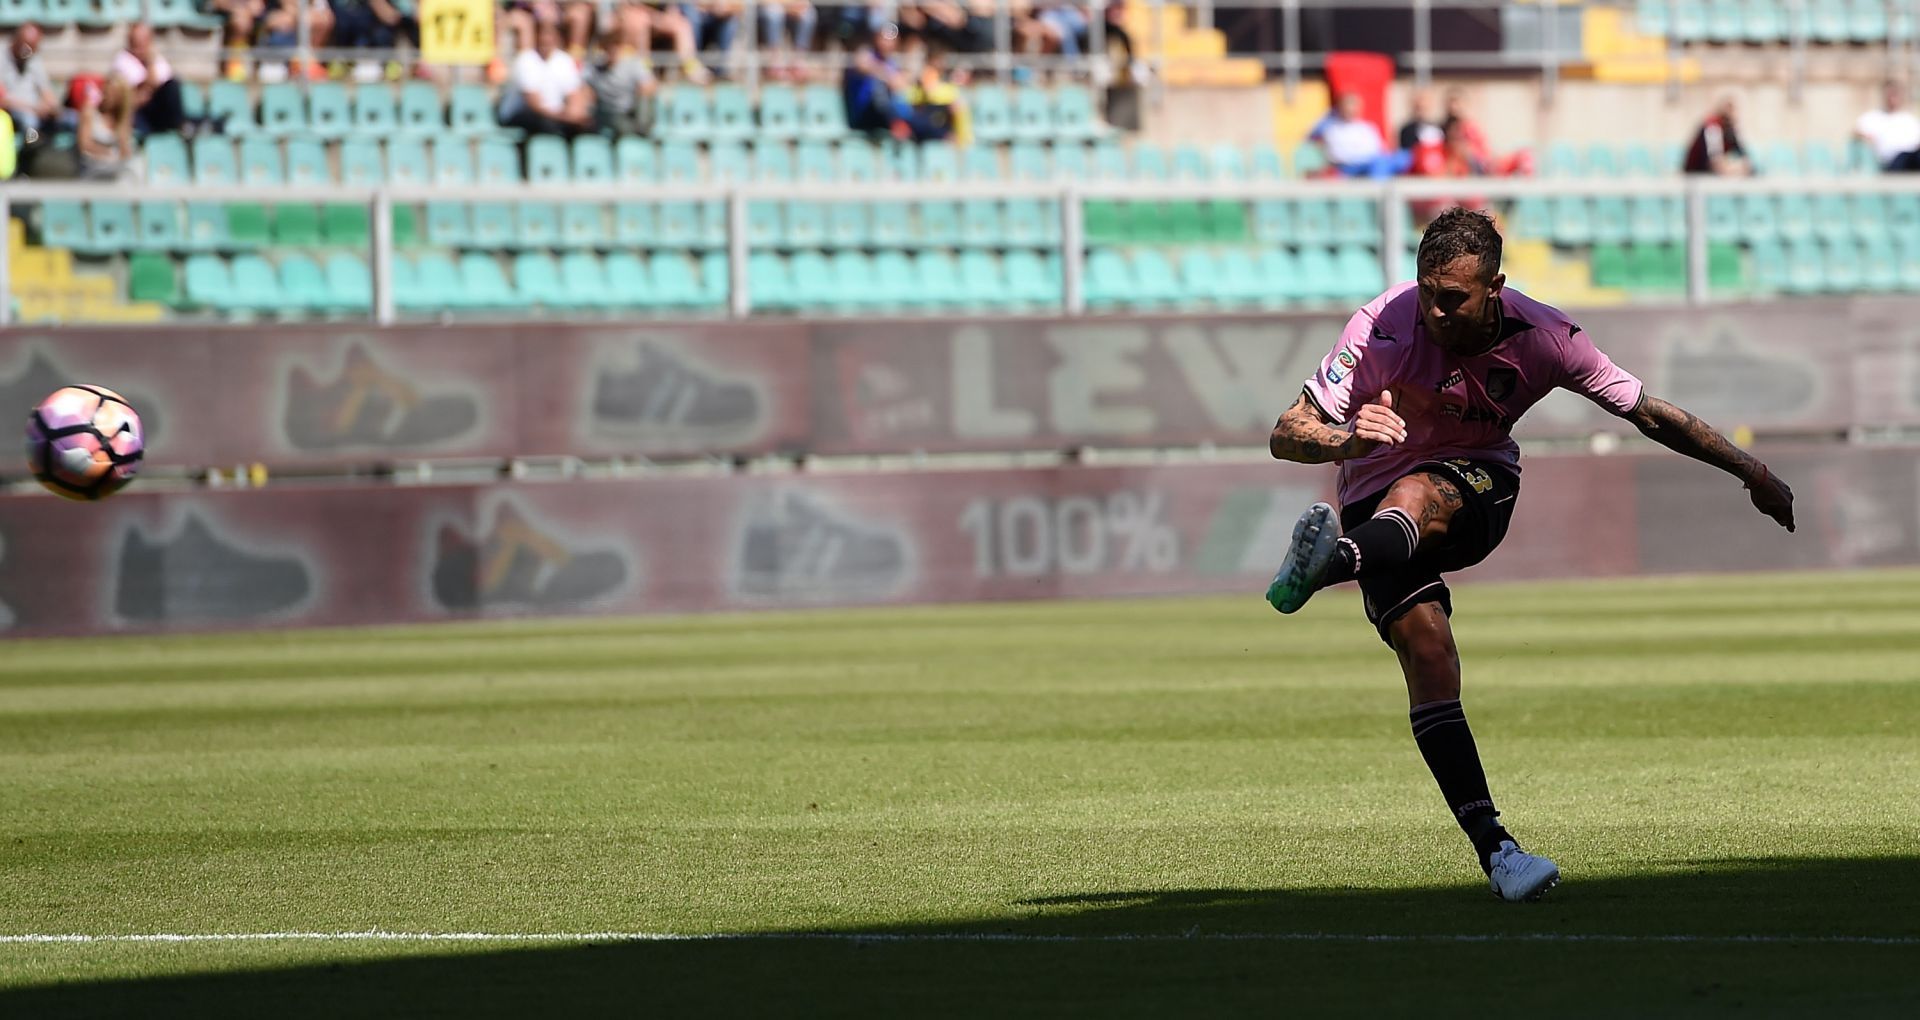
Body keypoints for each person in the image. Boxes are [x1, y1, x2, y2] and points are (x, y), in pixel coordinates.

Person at [1262, 208, 1795, 902]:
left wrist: (1751, 471)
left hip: (1480, 485)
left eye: (1452, 298)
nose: (1434, 309)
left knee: (1421, 489)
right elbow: (1286, 430)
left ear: (1495, 288)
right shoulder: (1382, 324)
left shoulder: (1545, 337)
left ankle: (1326, 566)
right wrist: (1344, 442)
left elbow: (1648, 413)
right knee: (1429, 653)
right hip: (1372, 501)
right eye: (1427, 291)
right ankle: (1501, 855)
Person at [498, 19, 595, 137]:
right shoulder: (526, 60)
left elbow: (574, 96)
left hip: (555, 115)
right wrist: (565, 117)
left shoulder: (564, 61)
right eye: (542, 34)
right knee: (548, 125)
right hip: (522, 115)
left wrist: (575, 117)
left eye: (550, 34)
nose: (545, 39)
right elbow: (534, 104)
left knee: (588, 127)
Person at [111, 23, 188, 137]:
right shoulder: (122, 60)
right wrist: (150, 66)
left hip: (156, 107)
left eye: (143, 41)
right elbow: (147, 85)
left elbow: (162, 83)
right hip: (137, 111)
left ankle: (180, 127)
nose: (140, 46)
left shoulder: (157, 58)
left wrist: (149, 86)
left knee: (173, 86)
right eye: (136, 41)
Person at [1308, 91, 1400, 179]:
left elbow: (1380, 149)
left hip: (1372, 163)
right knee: (1380, 164)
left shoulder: (1367, 127)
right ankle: (1377, 191)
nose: (1351, 109)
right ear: (1340, 106)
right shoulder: (1332, 128)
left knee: (1400, 158)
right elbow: (1338, 155)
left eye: (1354, 105)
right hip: (1348, 167)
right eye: (1348, 104)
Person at [0, 23, 61, 142]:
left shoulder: (33, 59)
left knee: (71, 120)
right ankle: (32, 152)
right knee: (29, 121)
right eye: (25, 46)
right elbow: (2, 99)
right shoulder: (2, 56)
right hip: (15, 110)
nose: (27, 51)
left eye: (32, 47)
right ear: (16, 40)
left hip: (36, 109)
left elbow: (46, 90)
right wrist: (33, 108)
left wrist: (52, 106)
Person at [73, 75, 135, 181]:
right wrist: (109, 153)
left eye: (114, 94)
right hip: (92, 167)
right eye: (106, 91)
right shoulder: (89, 112)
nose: (108, 96)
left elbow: (125, 150)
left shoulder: (122, 119)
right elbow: (84, 145)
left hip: (115, 168)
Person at [1854, 80, 1920, 171]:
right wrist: (1865, 137)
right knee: (1903, 156)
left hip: (1913, 158)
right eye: (1890, 94)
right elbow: (1856, 132)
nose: (1892, 98)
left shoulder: (1910, 119)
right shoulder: (1873, 117)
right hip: (1892, 161)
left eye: (1895, 94)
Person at [1683, 97, 1750, 175]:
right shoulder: (1712, 126)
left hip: (1709, 174)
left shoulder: (1729, 130)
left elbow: (1744, 156)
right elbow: (1715, 162)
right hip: (1695, 174)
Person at [759, 1, 817, 80]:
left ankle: (798, 61)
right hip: (768, 10)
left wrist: (795, 7)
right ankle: (774, 61)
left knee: (808, 13)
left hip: (790, 9)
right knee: (774, 12)